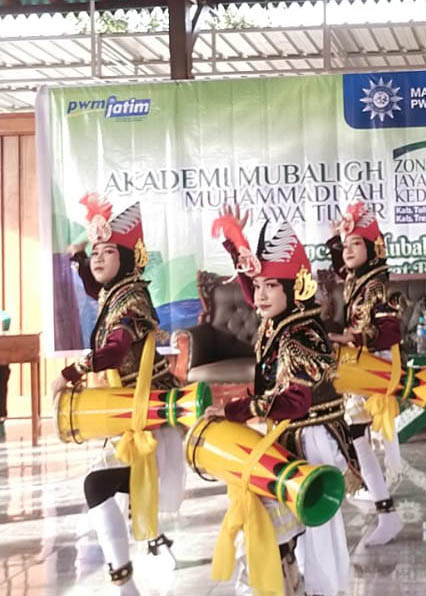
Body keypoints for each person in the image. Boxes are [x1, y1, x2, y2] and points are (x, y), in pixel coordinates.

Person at [205, 206, 360, 596]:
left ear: (294, 288)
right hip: (291, 433)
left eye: (270, 286)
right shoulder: (282, 319)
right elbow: (255, 288)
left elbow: (295, 402)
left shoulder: (301, 334)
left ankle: (323, 591)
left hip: (313, 436)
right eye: (258, 286)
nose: (258, 295)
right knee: (290, 527)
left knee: (317, 530)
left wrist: (236, 410)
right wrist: (235, 242)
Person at [53, 195, 184, 596]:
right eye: (96, 251)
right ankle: (154, 546)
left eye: (107, 251)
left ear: (126, 259)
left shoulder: (132, 298)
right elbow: (95, 285)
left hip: (151, 419)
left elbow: (114, 349)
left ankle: (125, 582)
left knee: (98, 486)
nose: (98, 257)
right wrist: (80, 258)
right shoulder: (117, 291)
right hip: (129, 413)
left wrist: (71, 371)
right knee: (121, 491)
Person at [326, 201, 404, 547]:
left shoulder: (378, 286)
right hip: (358, 369)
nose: (347, 251)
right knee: (357, 438)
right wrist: (335, 241)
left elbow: (391, 331)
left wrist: (353, 338)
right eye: (346, 245)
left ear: (373, 249)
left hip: (373, 369)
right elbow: (341, 267)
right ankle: (381, 501)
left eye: (355, 244)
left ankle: (385, 509)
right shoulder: (358, 279)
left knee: (358, 436)